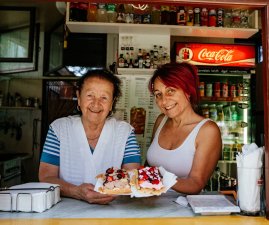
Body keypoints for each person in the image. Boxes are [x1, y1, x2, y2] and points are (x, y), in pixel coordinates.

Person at [39, 69, 141, 204]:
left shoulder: (125, 132)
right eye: (90, 95)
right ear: (79, 97)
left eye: (104, 97)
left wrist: (111, 190)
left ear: (112, 103)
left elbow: (133, 175)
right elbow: (46, 177)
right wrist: (75, 192)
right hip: (66, 212)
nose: (96, 103)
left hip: (113, 210)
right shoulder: (59, 129)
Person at [146, 62, 222, 194]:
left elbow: (196, 183)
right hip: (152, 206)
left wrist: (160, 179)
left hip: (185, 210)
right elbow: (148, 168)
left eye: (170, 91)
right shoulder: (161, 121)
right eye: (158, 94)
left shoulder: (207, 130)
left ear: (188, 90)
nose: (163, 101)